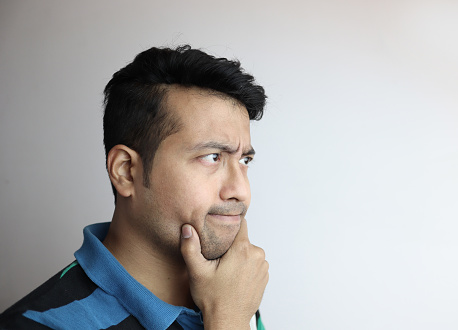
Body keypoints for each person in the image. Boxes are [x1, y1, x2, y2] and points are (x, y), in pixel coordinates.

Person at [0, 45, 269, 330]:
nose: (240, 190)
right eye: (212, 157)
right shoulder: (39, 325)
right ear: (126, 171)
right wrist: (227, 321)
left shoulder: (232, 289)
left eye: (244, 160)